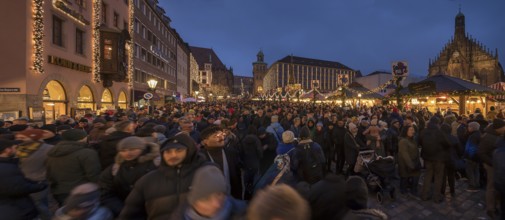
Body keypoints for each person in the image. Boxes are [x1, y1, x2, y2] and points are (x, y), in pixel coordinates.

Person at [119, 132, 207, 219]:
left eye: (179, 150)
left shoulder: (205, 174)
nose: (173, 155)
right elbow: (130, 213)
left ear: (189, 151)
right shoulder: (148, 180)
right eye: (168, 151)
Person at [99, 136, 160, 217]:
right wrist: (124, 211)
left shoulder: (157, 163)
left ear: (142, 149)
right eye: (123, 150)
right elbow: (106, 193)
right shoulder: (115, 168)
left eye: (132, 149)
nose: (128, 153)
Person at [47, 129, 101, 205]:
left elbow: (48, 173)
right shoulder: (87, 153)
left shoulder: (52, 151)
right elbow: (93, 174)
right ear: (82, 138)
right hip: (82, 190)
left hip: (59, 191)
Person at [172, 165, 247, 219]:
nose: (217, 204)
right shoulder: (179, 216)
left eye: (219, 194)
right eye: (206, 198)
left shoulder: (243, 213)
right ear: (193, 202)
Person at [0, 139, 47, 220]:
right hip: (16, 209)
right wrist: (41, 185)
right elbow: (17, 188)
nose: (16, 150)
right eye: (14, 147)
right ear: (7, 150)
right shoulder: (6, 168)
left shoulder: (8, 165)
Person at [14, 129, 55, 220]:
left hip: (39, 180)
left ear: (33, 137)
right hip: (23, 181)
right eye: (19, 137)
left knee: (39, 205)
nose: (19, 139)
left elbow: (52, 165)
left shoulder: (48, 149)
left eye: (23, 137)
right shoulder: (18, 148)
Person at [200, 126, 243, 199]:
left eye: (222, 135)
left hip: (232, 197)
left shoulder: (231, 153)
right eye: (216, 136)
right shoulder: (200, 158)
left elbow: (237, 176)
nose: (221, 138)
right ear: (205, 141)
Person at [478, 119, 505, 218]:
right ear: (499, 128)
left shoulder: (495, 135)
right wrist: (493, 162)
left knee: (497, 186)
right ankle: (491, 208)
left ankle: (496, 205)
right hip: (491, 165)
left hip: (496, 164)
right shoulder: (489, 137)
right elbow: (481, 152)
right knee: (491, 187)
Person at [419, 117, 450, 203]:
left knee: (428, 176)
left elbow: (420, 142)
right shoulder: (439, 132)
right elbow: (447, 143)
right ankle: (436, 197)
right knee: (438, 177)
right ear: (437, 123)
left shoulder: (424, 131)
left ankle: (424, 195)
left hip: (427, 157)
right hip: (439, 158)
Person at [398, 125, 421, 197]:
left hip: (413, 162)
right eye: (411, 130)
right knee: (404, 177)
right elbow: (405, 155)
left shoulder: (412, 139)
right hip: (406, 164)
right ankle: (404, 190)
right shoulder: (403, 141)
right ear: (406, 131)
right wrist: (411, 165)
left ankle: (412, 189)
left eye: (413, 130)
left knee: (414, 176)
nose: (413, 131)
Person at [464, 122, 481, 192]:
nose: (468, 128)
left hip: (472, 157)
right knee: (476, 171)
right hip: (477, 157)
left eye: (469, 127)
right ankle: (476, 184)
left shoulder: (473, 136)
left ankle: (472, 186)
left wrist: (469, 156)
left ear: (472, 128)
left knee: (470, 171)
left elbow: (471, 148)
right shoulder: (478, 134)